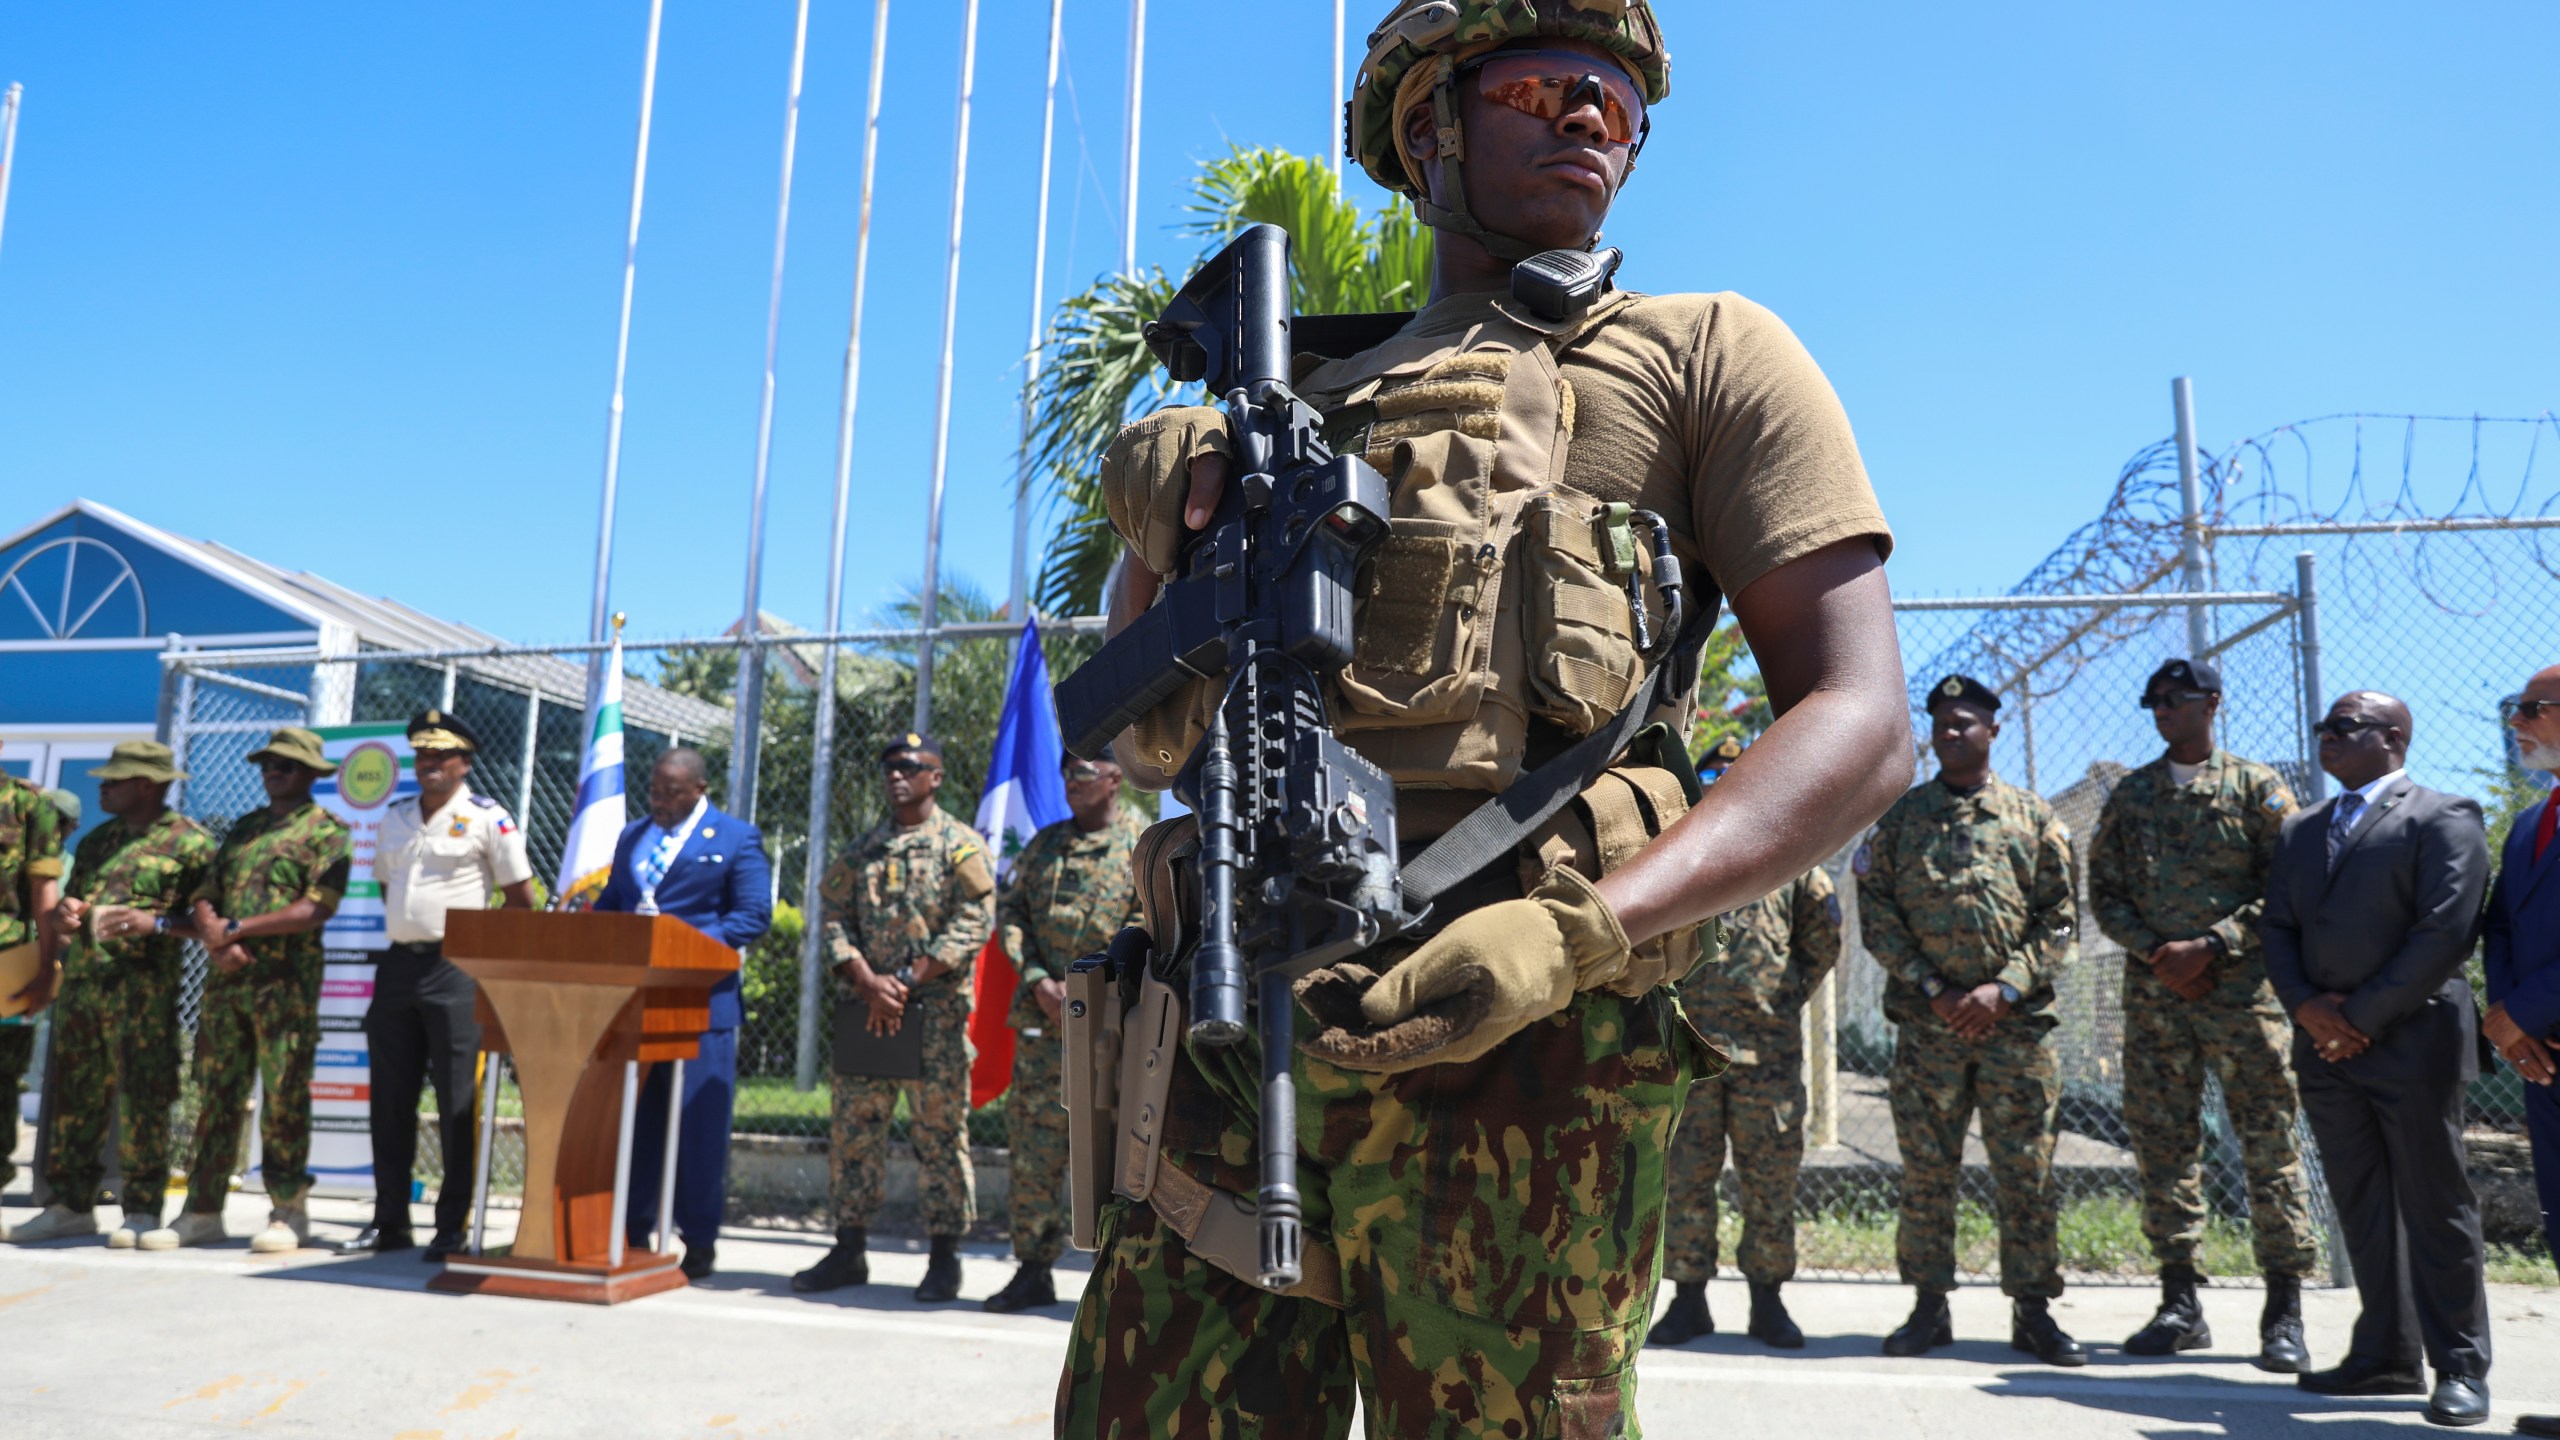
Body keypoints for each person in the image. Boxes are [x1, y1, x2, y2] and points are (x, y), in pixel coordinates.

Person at [1059, 0, 1911, 1429]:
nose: (1589, 117)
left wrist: (1583, 930)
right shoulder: (1291, 404)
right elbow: (1141, 736)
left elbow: (1858, 715)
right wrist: (1160, 523)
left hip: (1529, 1030)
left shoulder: (1703, 350)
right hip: (1228, 1012)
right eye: (1539, 85)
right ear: (1427, 128)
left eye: (1619, 104)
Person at [2263, 691, 2493, 1427]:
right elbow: (2277, 928)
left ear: (2392, 737)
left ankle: (2458, 1363)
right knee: (2363, 1204)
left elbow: (2445, 931)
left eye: (2344, 727)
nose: (2326, 737)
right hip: (2327, 1050)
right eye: (2324, 727)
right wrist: (2307, 1007)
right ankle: (2386, 1352)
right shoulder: (2302, 829)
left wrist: (2354, 1018)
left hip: (2412, 1042)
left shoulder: (2442, 816)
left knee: (2435, 1204)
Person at [2086, 658, 2321, 1370]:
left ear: (2212, 704)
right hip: (2158, 1001)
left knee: (2269, 1148)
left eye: (2177, 700)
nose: (2163, 712)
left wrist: (2214, 944)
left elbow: (2288, 886)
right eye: (2153, 702)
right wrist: (2161, 951)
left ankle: (2284, 1311)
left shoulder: (2257, 788)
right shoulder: (2133, 795)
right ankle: (2180, 1303)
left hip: (2243, 1001)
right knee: (2164, 1151)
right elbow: (2106, 890)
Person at [1858, 675, 2086, 1367]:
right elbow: (1879, 918)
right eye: (1942, 723)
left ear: (1992, 729)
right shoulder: (1901, 821)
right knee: (1928, 1174)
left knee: (2027, 1172)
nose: (1950, 732)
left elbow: (2061, 919)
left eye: (1964, 722)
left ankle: (2034, 1311)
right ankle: (1930, 1308)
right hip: (1931, 1031)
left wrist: (2005, 990)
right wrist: (1936, 989)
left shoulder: (2034, 819)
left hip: (2015, 1032)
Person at [792, 734, 996, 1304]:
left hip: (933, 1017)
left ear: (936, 777)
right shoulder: (863, 849)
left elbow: (977, 917)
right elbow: (832, 914)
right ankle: (849, 1249)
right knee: (855, 1132)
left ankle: (943, 1259)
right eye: (888, 768)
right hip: (870, 1015)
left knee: (939, 1137)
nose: (895, 776)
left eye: (909, 766)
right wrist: (864, 977)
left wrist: (906, 981)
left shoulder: (960, 845)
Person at [337, 710, 534, 1260]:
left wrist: (488, 964)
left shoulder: (487, 819)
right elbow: (386, 890)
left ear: (464, 763)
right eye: (422, 756)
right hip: (399, 965)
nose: (429, 765)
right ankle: (390, 1220)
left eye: (441, 757)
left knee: (457, 1103)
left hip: (458, 972)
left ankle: (452, 1226)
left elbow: (521, 901)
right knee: (390, 1100)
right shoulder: (395, 817)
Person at [6, 744, 215, 1249]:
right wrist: (65, 918)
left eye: (113, 781)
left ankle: (141, 1209)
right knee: (74, 1100)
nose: (101, 787)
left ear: (146, 784)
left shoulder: (192, 845)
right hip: (83, 991)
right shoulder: (100, 841)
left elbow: (210, 925)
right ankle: (69, 1207)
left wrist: (158, 923)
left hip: (144, 996)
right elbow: (63, 913)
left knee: (144, 1099)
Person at [1647, 862, 1842, 1349]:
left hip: (1767, 1055)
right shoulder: (1686, 845)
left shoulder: (1794, 858)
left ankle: (1768, 1300)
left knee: (1770, 1180)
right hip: (1691, 1045)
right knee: (1686, 1178)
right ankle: (1688, 1299)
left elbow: (1823, 938)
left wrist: (1781, 1000)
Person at [595, 745, 771, 1282]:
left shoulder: (737, 838)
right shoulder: (632, 835)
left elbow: (751, 915)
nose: (661, 802)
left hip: (702, 1004)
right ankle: (633, 1228)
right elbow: (613, 904)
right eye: (654, 791)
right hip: (634, 1002)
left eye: (672, 793)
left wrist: (684, 948)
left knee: (696, 1125)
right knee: (637, 1121)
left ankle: (698, 1238)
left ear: (699, 789)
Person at [177, 727, 354, 1253]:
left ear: (309, 775)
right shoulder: (245, 827)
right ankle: (203, 1209)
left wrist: (238, 931)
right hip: (227, 984)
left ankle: (287, 1211)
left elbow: (314, 909)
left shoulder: (329, 831)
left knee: (284, 1098)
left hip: (285, 988)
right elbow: (206, 893)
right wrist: (214, 934)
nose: (273, 772)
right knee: (216, 1095)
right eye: (268, 765)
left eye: (285, 766)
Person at [982, 754, 1142, 1314]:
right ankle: (1032, 1270)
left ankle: (1120, 1275)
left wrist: (1101, 991)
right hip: (1043, 1020)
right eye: (1066, 776)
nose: (1072, 786)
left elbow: (1153, 925)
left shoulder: (1143, 845)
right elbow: (1013, 913)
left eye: (1084, 775)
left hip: (1115, 1027)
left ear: (1115, 778)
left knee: (1118, 1154)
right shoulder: (1045, 846)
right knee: (1034, 1148)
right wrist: (1037, 981)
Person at [2484, 666, 2560, 1440]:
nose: (2519, 723)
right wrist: (2508, 1019)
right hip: (2546, 1059)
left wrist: (2522, 1011)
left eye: (2533, 709)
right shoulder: (2530, 822)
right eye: (2516, 710)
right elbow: (2501, 925)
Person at [0, 743, 67, 1242]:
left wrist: (49, 967)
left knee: (1, 1082)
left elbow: (45, 895)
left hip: (7, 964)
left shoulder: (28, 806)